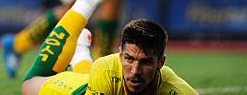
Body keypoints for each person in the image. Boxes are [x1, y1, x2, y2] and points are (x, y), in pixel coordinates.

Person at [21, 5, 199, 95]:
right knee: (28, 85)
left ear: (161, 62)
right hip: (81, 91)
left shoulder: (178, 91)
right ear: (120, 54)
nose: (135, 71)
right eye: (129, 59)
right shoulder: (105, 68)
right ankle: (86, 0)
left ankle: (80, 54)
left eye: (145, 62)